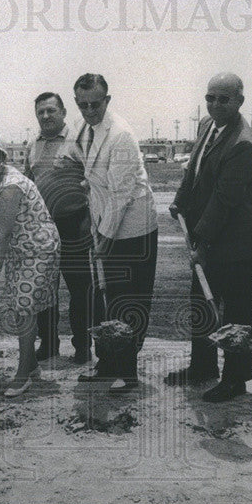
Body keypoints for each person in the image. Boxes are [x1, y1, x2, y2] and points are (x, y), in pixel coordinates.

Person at [167, 73, 252, 402]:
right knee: (202, 306)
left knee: (236, 314)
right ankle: (203, 367)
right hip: (208, 236)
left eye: (223, 99)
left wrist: (202, 244)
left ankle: (235, 379)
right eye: (210, 97)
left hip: (237, 243)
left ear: (240, 101)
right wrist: (179, 201)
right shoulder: (206, 126)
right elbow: (194, 170)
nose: (215, 104)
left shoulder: (243, 145)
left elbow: (224, 201)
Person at [72, 73, 159, 394]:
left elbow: (122, 195)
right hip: (104, 223)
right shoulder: (86, 130)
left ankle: (128, 373)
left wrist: (103, 240)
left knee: (126, 302)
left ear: (107, 100)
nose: (90, 110)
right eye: (83, 105)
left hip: (132, 231)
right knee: (102, 302)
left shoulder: (121, 134)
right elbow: (96, 178)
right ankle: (107, 364)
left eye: (96, 104)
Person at [0, 130, 61, 398]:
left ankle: (22, 376)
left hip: (38, 249)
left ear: (2, 158)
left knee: (24, 309)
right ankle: (31, 365)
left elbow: (5, 233)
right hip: (20, 249)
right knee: (22, 305)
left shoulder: (11, 185)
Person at [25, 91, 93, 365]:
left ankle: (82, 346)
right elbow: (29, 183)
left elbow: (93, 180)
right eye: (41, 111)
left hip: (74, 224)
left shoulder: (78, 141)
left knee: (80, 290)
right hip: (42, 227)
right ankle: (49, 343)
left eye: (51, 110)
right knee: (44, 289)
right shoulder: (33, 144)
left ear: (64, 112)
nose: (45, 116)